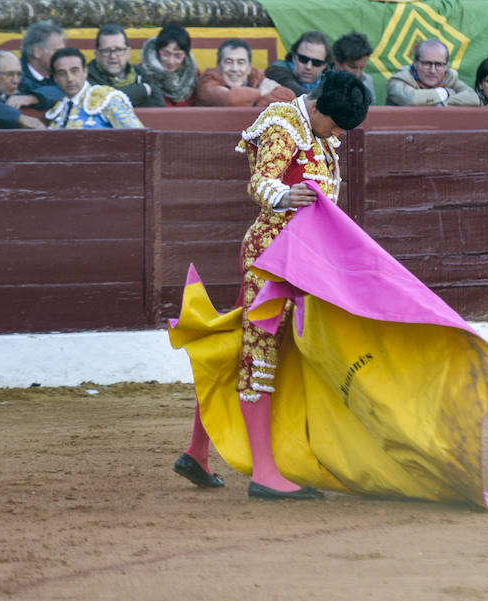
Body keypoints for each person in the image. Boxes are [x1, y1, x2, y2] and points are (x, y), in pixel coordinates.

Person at [173, 71, 372, 500]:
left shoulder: (317, 132)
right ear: (317, 106)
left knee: (246, 351)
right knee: (259, 357)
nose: (339, 134)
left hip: (303, 260)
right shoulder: (283, 122)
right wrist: (285, 195)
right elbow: (260, 182)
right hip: (272, 260)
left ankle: (197, 452)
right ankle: (264, 473)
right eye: (336, 124)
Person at [46, 47, 144, 129]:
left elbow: (137, 136)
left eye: (74, 71)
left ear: (85, 72)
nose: (69, 79)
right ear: (55, 78)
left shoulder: (106, 98)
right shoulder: (59, 109)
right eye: (62, 73)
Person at [195, 39, 294, 107]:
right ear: (219, 66)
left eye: (241, 62)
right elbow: (230, 99)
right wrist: (261, 92)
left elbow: (288, 96)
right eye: (229, 62)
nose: (235, 69)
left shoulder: (255, 76)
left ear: (249, 68)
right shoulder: (207, 81)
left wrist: (251, 103)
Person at [87, 24, 164, 107]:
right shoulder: (87, 77)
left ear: (128, 52)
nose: (113, 56)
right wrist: (143, 90)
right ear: (97, 54)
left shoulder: (142, 74)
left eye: (119, 50)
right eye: (106, 50)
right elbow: (102, 100)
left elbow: (159, 107)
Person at [386, 38, 478, 106]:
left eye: (438, 65)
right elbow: (411, 99)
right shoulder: (399, 80)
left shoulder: (449, 78)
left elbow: (474, 98)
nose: (432, 71)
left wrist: (433, 100)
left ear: (446, 66)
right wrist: (444, 93)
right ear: (415, 63)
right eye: (426, 63)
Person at [139, 24, 199, 107]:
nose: (171, 61)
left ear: (185, 56)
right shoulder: (142, 73)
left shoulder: (193, 77)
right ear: (157, 51)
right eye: (166, 54)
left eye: (178, 56)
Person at [0, 50, 48, 129]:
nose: (16, 81)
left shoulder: (21, 81)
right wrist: (18, 117)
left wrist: (33, 98)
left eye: (19, 74)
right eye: (9, 74)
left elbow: (57, 90)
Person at [265, 31, 332, 97]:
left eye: (316, 62)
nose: (308, 67)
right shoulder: (277, 70)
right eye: (303, 59)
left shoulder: (330, 78)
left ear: (325, 65)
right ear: (293, 57)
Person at [19, 19, 65, 106]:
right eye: (57, 51)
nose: (62, 56)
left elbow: (72, 89)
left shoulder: (59, 71)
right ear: (37, 52)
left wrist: (35, 98)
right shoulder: (15, 74)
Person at [332, 32, 376, 103]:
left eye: (362, 68)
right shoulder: (320, 80)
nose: (358, 74)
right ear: (337, 61)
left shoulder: (367, 81)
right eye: (353, 67)